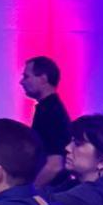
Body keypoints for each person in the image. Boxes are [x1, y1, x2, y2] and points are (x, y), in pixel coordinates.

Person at [21, 57, 70, 189]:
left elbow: (55, 165)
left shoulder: (50, 111)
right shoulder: (48, 108)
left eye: (26, 77)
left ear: (43, 79)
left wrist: (32, 192)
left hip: (51, 190)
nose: (22, 82)